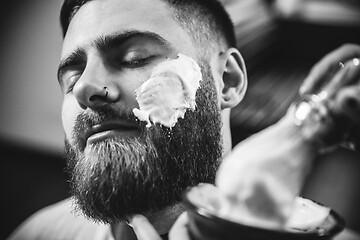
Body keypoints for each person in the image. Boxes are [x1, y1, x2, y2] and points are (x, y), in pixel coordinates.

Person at [7, 0, 360, 239]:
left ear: (229, 81)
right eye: (71, 78)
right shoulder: (42, 232)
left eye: (133, 57)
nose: (84, 87)